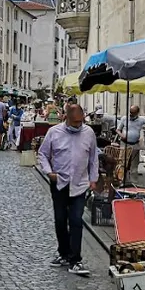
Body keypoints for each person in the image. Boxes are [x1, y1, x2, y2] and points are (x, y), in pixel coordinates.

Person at [37, 104, 99, 276]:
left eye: (81, 122)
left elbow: (93, 157)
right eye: (75, 122)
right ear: (67, 118)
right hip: (60, 183)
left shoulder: (88, 133)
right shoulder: (54, 132)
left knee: (76, 220)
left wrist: (93, 179)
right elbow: (43, 154)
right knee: (60, 220)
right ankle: (63, 253)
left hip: (80, 183)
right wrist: (49, 172)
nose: (78, 125)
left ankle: (75, 259)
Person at [118, 105, 145, 177]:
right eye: (130, 112)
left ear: (137, 112)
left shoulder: (141, 119)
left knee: (134, 164)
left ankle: (134, 180)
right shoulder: (124, 118)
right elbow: (118, 130)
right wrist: (121, 135)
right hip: (125, 143)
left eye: (133, 113)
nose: (131, 114)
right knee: (122, 162)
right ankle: (122, 178)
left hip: (135, 144)